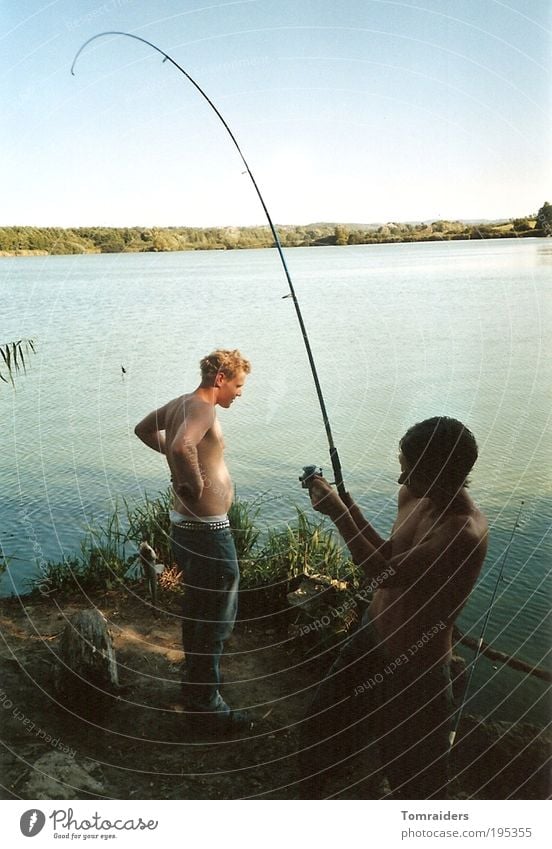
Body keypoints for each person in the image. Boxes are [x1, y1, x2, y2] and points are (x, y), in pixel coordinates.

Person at [299, 416, 488, 798]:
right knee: (319, 731)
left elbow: (385, 574)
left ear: (441, 473)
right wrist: (347, 506)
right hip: (369, 637)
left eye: (411, 473)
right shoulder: (417, 497)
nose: (401, 482)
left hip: (415, 669)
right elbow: (389, 553)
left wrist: (338, 513)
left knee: (416, 782)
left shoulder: (462, 532)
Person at [134, 349, 252, 736]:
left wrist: (180, 465)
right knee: (217, 616)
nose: (239, 393)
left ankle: (196, 687)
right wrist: (194, 481)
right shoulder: (202, 409)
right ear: (220, 378)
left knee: (198, 610)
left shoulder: (179, 403)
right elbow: (182, 445)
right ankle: (208, 705)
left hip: (185, 525)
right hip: (207, 532)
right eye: (237, 385)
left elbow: (144, 430)